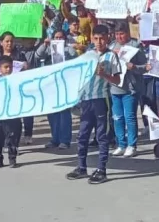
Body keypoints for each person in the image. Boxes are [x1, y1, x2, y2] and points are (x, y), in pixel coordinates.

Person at [66, 24, 121, 185]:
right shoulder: (88, 55)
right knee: (82, 135)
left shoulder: (112, 57)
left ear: (107, 38)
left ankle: (101, 169)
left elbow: (117, 80)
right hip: (86, 100)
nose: (99, 42)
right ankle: (81, 167)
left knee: (101, 135)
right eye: (96, 39)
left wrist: (103, 74)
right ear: (92, 39)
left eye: (102, 39)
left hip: (101, 98)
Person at [110, 21, 147, 158]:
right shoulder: (112, 46)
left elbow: (145, 66)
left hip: (130, 88)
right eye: (117, 34)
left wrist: (135, 67)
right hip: (115, 87)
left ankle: (132, 145)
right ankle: (121, 144)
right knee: (117, 117)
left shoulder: (135, 46)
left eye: (122, 34)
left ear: (128, 33)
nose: (119, 37)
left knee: (129, 117)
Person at [33, 30, 73, 149]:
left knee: (64, 113)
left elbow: (74, 64)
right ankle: (55, 139)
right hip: (51, 85)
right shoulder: (48, 49)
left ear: (65, 39)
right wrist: (45, 45)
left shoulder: (70, 50)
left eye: (61, 38)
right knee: (52, 113)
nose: (58, 40)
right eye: (56, 37)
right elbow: (37, 56)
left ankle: (65, 140)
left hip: (64, 85)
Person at [0, 55, 22, 168]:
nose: (8, 69)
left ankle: (12, 158)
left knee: (12, 137)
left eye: (10, 67)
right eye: (5, 67)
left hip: (12, 115)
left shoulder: (16, 81)